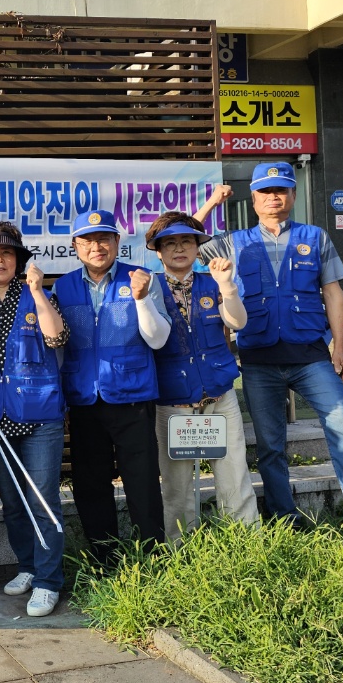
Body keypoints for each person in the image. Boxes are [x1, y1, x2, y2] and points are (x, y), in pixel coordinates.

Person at [195, 166, 343, 537]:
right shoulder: (233, 242)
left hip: (311, 355)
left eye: (283, 190)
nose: (275, 198)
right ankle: (284, 517)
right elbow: (186, 240)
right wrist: (211, 202)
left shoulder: (314, 237)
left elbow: (333, 294)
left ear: (293, 196)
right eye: (267, 191)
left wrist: (339, 346)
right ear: (253, 199)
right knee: (271, 445)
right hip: (259, 360)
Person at [52, 210, 170, 558]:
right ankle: (104, 559)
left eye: (104, 238)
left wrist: (142, 298)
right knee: (90, 484)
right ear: (75, 247)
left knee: (142, 482)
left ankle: (152, 558)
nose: (96, 246)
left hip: (132, 397)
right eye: (87, 240)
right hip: (85, 401)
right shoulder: (63, 286)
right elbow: (59, 348)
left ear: (117, 242)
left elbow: (159, 339)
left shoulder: (143, 279)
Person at [0, 222, 68, 617]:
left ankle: (48, 580)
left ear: (19, 260)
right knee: (11, 501)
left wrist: (38, 291)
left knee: (42, 499)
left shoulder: (40, 296)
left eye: (6, 254)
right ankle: (27, 566)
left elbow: (57, 339)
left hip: (41, 414)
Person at [145, 212, 258, 542]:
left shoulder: (213, 282)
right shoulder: (148, 287)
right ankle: (180, 551)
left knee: (234, 477)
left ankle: (247, 548)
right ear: (158, 250)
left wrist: (227, 285)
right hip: (173, 403)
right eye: (170, 243)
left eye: (186, 241)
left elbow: (237, 322)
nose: (179, 249)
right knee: (177, 488)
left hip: (219, 397)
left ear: (197, 247)